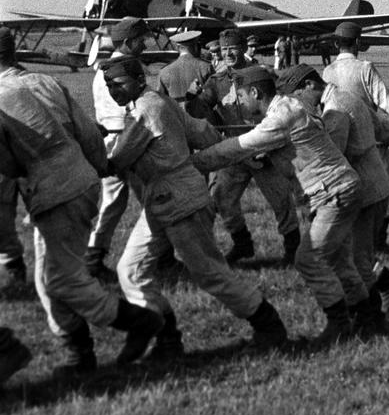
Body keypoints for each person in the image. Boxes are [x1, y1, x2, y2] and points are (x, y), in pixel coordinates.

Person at [100, 55, 290, 354]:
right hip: (164, 200)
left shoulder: (146, 110)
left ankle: (269, 325)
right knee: (130, 269)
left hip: (180, 201)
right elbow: (204, 132)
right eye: (108, 84)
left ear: (139, 80)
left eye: (118, 83)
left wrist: (86, 141)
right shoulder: (158, 103)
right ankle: (166, 337)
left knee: (210, 273)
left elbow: (116, 162)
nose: (113, 89)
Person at [0, 28, 166, 371]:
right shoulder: (44, 82)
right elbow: (88, 131)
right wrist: (102, 168)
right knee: (48, 280)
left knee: (61, 280)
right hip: (78, 180)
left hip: (55, 189)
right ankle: (80, 354)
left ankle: (138, 322)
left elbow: (4, 162)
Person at [189, 64, 370, 343]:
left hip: (333, 192)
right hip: (337, 188)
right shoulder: (286, 108)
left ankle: (340, 324)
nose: (237, 103)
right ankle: (369, 317)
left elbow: (239, 147)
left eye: (240, 97)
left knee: (309, 260)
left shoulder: (281, 117)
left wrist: (193, 163)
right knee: (337, 259)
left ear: (254, 92)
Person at [317, 69, 389, 333]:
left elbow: (332, 158)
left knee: (354, 259)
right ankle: (385, 289)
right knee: (353, 254)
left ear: (308, 86)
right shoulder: (349, 98)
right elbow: (381, 129)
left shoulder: (334, 112)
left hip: (359, 192)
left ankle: (370, 319)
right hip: (376, 187)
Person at [194, 28, 300, 265]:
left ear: (243, 48)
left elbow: (281, 101)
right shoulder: (215, 80)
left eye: (232, 48)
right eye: (223, 50)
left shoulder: (262, 74)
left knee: (281, 201)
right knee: (221, 197)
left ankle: (294, 249)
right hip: (235, 150)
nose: (228, 53)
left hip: (266, 149)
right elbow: (201, 108)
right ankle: (242, 244)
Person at [322, 21, 389, 250]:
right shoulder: (364, 68)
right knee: (383, 187)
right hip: (370, 137)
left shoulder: (327, 71)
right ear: (358, 42)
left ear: (336, 43)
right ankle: (379, 240)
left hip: (341, 140)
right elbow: (388, 104)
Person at [85, 16, 151, 283]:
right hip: (128, 141)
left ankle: (93, 259)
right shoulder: (121, 68)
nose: (145, 44)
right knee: (154, 200)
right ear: (127, 41)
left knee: (112, 205)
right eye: (140, 40)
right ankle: (162, 257)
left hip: (111, 143)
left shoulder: (104, 68)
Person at [155, 30, 212, 103]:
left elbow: (161, 100)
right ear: (196, 46)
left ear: (178, 47)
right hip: (201, 112)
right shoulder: (206, 67)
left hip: (176, 113)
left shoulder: (164, 71)